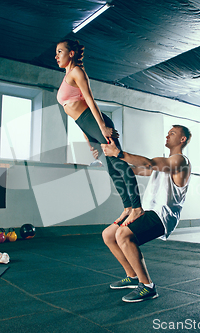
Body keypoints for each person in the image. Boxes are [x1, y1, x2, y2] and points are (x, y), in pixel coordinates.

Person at [55, 39, 143, 225]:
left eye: (60, 51)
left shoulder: (77, 72)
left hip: (95, 122)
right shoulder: (67, 76)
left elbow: (89, 99)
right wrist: (89, 141)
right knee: (111, 170)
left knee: (119, 164)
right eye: (56, 52)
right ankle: (127, 207)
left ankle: (137, 208)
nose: (56, 56)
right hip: (87, 127)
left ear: (71, 53)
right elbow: (76, 117)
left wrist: (102, 126)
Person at [101, 125, 192, 302]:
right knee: (109, 235)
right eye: (167, 132)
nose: (167, 135)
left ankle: (148, 286)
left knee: (124, 235)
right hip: (148, 211)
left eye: (172, 133)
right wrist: (107, 158)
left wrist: (119, 152)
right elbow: (135, 169)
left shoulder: (180, 161)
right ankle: (132, 277)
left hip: (163, 216)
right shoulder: (165, 163)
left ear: (182, 140)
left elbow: (149, 163)